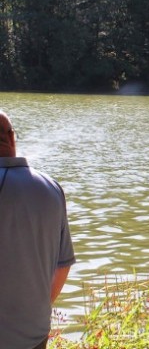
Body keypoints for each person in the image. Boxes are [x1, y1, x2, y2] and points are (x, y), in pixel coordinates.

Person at [0, 111, 75, 349]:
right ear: (12, 139)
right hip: (34, 335)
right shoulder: (52, 189)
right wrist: (35, 309)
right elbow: (63, 265)